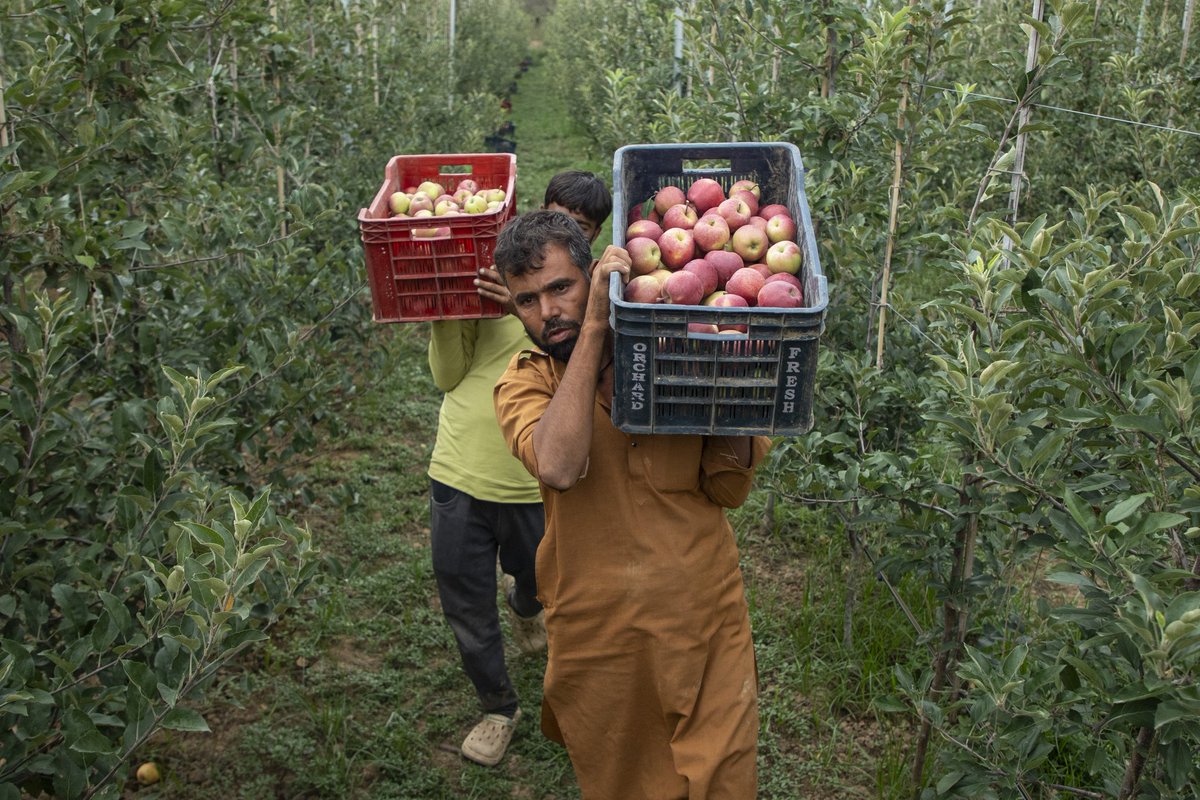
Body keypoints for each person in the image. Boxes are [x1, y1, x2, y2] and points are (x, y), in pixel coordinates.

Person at [491, 209, 772, 798]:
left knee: (725, 779)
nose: (548, 312)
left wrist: (730, 383)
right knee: (627, 783)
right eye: (526, 301)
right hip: (601, 634)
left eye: (561, 288)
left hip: (704, 621)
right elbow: (561, 465)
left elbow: (728, 488)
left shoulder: (670, 354)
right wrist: (595, 327)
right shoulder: (524, 383)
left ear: (596, 273)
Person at [427, 174, 611, 768]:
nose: (541, 301)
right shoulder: (500, 282)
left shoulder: (572, 316)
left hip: (531, 483)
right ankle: (497, 707)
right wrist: (451, 305)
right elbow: (446, 375)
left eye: (576, 233)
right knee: (465, 598)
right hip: (460, 468)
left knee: (538, 586)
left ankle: (526, 606)